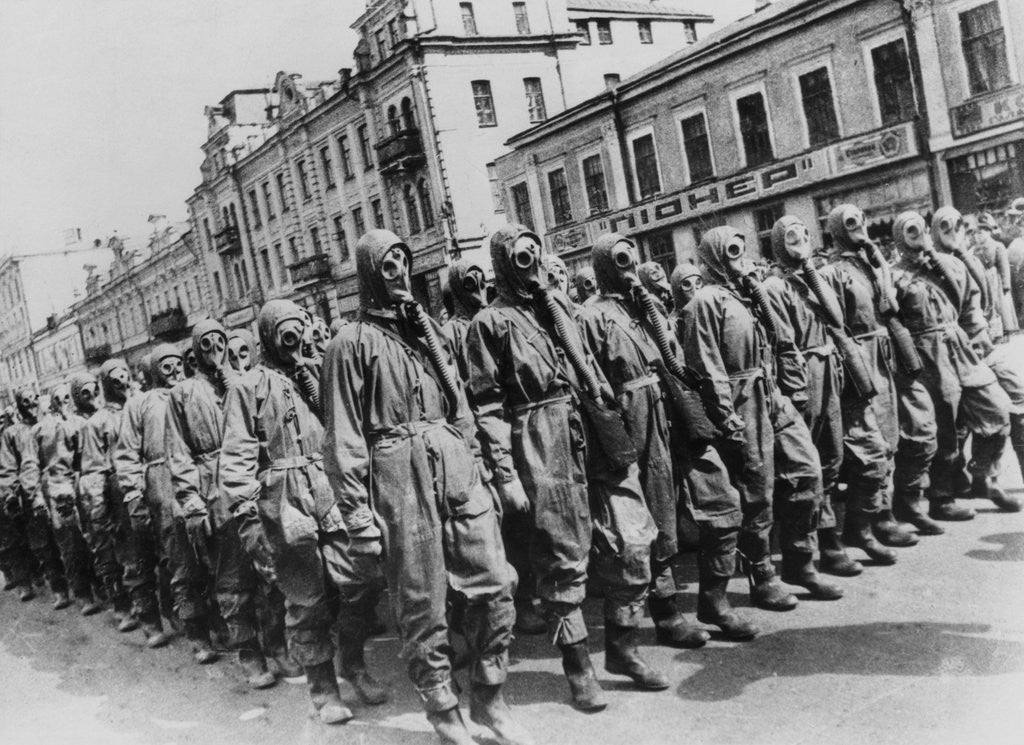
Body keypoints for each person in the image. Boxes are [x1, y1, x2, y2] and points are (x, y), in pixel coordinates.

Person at [323, 230, 529, 745]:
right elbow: (344, 437)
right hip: (399, 476)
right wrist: (358, 517)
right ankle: (443, 711)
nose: (398, 270)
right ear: (369, 273)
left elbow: (460, 406)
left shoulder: (427, 331)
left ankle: (489, 698)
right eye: (387, 263)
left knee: (496, 583)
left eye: (403, 259)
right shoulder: (350, 343)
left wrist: (480, 470)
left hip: (456, 468)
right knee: (422, 604)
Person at [468, 224, 666, 713]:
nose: (531, 262)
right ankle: (579, 669)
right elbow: (487, 406)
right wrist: (506, 475)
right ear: (503, 262)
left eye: (535, 252)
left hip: (592, 425)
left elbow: (591, 363)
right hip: (540, 437)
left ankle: (623, 649)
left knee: (634, 538)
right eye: (521, 255)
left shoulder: (559, 306)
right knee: (563, 559)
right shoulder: (489, 323)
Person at [220, 298, 388, 725]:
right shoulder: (247, 387)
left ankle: (353, 662)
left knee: (363, 579)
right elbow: (236, 461)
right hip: (283, 502)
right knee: (306, 599)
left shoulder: (317, 373)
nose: (294, 341)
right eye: (285, 333)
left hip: (329, 490)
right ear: (268, 336)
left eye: (299, 329)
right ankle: (324, 690)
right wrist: (249, 521)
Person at [581, 233, 754, 644]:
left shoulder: (648, 308)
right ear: (605, 265)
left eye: (631, 257)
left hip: (677, 411)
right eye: (619, 259)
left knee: (723, 501)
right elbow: (590, 383)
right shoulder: (590, 317)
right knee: (658, 520)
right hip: (635, 420)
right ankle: (668, 615)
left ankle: (714, 600)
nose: (628, 266)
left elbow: (675, 356)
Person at [682, 226, 834, 611]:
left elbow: (782, 340)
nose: (738, 256)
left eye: (741, 248)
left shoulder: (747, 294)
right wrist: (726, 417)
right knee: (756, 493)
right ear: (714, 256)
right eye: (730, 251)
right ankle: (762, 576)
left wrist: (793, 389)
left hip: (771, 393)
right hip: (740, 400)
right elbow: (707, 365)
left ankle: (800, 560)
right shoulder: (705, 301)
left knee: (806, 470)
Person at [165, 319, 296, 685]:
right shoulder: (184, 393)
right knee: (233, 578)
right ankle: (249, 653)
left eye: (219, 342)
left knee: (271, 570)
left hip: (255, 483)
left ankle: (277, 644)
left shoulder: (245, 384)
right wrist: (191, 501)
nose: (215, 351)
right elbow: (178, 452)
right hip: (215, 493)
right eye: (205, 345)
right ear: (195, 351)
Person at [440, 259, 545, 636]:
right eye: (467, 283)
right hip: (475, 436)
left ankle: (526, 595)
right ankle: (492, 605)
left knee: (522, 518)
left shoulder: (497, 319)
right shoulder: (450, 332)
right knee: (490, 524)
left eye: (479, 280)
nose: (476, 288)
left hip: (508, 427)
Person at [762, 216, 863, 576]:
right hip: (803, 377)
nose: (800, 240)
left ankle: (830, 538)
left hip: (828, 369)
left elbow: (836, 318)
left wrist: (808, 269)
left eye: (804, 234)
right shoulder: (773, 287)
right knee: (807, 464)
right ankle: (814, 548)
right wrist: (796, 391)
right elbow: (784, 343)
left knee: (832, 456)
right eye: (791, 237)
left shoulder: (812, 277)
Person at [820, 205, 918, 563]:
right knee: (868, 444)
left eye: (861, 220)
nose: (859, 226)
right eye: (850, 223)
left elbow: (888, 306)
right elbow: (833, 325)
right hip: (858, 362)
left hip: (881, 355)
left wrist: (878, 262)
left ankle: (884, 515)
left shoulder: (869, 264)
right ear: (836, 229)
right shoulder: (831, 272)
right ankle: (861, 525)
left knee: (888, 438)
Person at [929, 208, 1022, 513]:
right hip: (950, 354)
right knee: (955, 425)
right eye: (945, 226)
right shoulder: (929, 266)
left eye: (959, 226)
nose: (954, 231)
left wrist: (961, 253)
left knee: (1009, 407)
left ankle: (984, 476)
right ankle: (951, 487)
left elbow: (982, 295)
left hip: (981, 348)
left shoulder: (965, 259)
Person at [114, 346, 201, 650]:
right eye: (167, 366)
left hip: (195, 472)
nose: (175, 371)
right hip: (162, 481)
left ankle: (197, 612)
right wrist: (134, 495)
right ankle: (195, 631)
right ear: (154, 371)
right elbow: (127, 454)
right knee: (176, 552)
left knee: (204, 550)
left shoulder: (193, 391)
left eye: (179, 364)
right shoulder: (140, 404)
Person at [79, 359, 138, 630]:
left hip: (145, 484)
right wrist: (99, 511)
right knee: (122, 552)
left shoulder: (140, 408)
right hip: (117, 492)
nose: (123, 382)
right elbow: (93, 469)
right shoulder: (97, 423)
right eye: (116, 380)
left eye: (126, 376)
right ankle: (125, 607)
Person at [34, 382, 100, 614]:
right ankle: (83, 594)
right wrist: (38, 495)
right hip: (57, 487)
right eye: (58, 399)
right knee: (69, 543)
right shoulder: (41, 430)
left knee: (93, 536)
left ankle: (100, 585)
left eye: (66, 398)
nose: (63, 403)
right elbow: (34, 465)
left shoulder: (80, 423)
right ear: (51, 403)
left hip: (80, 482)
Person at [0, 387, 68, 604]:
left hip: (57, 486)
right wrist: (10, 494)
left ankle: (86, 585)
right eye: (25, 402)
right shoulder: (12, 433)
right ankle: (59, 588)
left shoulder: (52, 423)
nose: (31, 406)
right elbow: (8, 468)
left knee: (69, 536)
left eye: (34, 400)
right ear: (19, 406)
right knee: (43, 543)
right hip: (30, 494)